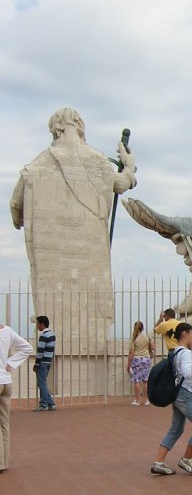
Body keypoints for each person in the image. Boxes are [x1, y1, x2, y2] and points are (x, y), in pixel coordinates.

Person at [9, 108, 137, 341]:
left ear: (54, 129)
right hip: (90, 249)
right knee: (89, 296)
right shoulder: (97, 161)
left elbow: (15, 204)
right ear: (80, 127)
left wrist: (20, 219)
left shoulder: (41, 162)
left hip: (50, 254)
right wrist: (130, 166)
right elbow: (121, 183)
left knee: (54, 300)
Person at [151, 322, 192, 476]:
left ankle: (158, 462)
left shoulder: (177, 352)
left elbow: (191, 368)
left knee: (176, 429)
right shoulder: (185, 353)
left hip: (178, 394)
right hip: (185, 395)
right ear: (185, 334)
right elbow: (188, 373)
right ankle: (187, 458)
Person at [0, 324, 34, 471]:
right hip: (6, 381)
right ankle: (4, 462)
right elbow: (27, 348)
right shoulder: (7, 331)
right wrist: (10, 364)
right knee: (4, 423)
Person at [127, 321, 155, 405]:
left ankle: (137, 400)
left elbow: (131, 352)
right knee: (145, 380)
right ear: (142, 328)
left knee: (137, 380)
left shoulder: (133, 338)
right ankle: (146, 400)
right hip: (146, 359)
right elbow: (153, 347)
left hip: (137, 359)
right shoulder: (147, 336)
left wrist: (128, 364)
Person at [33, 315, 57, 411]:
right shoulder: (52, 334)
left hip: (42, 362)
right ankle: (50, 403)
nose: (37, 326)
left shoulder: (43, 336)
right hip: (48, 361)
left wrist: (36, 364)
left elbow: (40, 352)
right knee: (43, 383)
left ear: (42, 324)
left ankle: (43, 404)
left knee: (41, 383)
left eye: (38, 324)